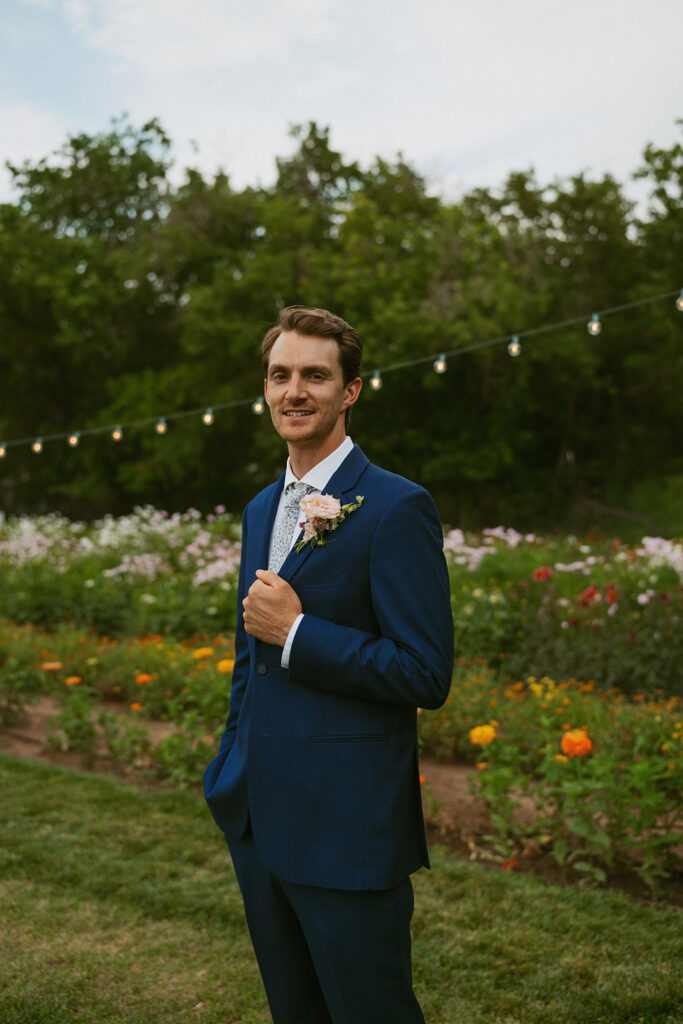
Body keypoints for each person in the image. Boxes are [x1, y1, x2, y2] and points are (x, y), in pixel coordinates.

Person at [204, 306, 453, 1024]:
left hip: (347, 827)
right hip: (257, 818)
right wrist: (229, 763)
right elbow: (250, 658)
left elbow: (423, 671)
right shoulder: (260, 509)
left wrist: (299, 632)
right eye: (279, 375)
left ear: (350, 391)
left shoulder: (397, 507)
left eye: (314, 375)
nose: (294, 391)